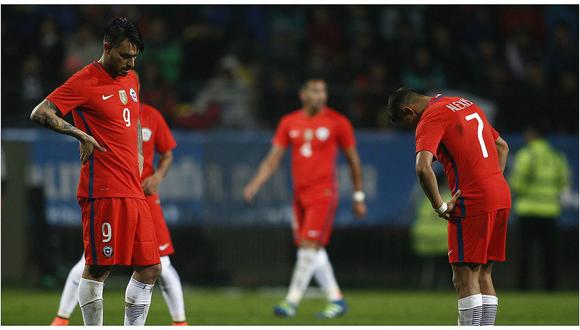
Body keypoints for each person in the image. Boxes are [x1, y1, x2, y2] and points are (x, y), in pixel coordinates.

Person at [30, 18, 160, 326]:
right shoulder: (85, 80)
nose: (130, 63)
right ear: (107, 47)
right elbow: (40, 112)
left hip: (132, 187)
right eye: (124, 55)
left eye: (134, 56)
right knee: (99, 268)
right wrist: (80, 134)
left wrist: (139, 154)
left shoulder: (132, 78)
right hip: (103, 189)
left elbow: (135, 118)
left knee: (150, 267)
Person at [50, 103, 188, 326]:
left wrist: (157, 178)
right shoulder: (106, 112)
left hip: (145, 198)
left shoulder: (152, 115)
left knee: (158, 263)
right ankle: (61, 317)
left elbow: (168, 153)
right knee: (93, 262)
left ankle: (180, 322)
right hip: (115, 194)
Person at [386, 87, 511, 326]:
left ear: (409, 111)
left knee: (464, 278)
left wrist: (440, 206)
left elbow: (423, 167)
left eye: (408, 123)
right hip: (500, 193)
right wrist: (491, 180)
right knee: (484, 274)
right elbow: (502, 146)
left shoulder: (431, 117)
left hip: (473, 198)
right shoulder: (463, 102)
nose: (413, 129)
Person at [243, 79, 367, 319]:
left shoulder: (337, 122)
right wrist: (255, 184)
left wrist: (358, 195)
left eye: (323, 91)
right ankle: (336, 299)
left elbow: (354, 161)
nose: (320, 95)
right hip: (299, 196)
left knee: (308, 247)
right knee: (311, 248)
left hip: (323, 193)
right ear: (303, 94)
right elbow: (273, 158)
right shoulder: (289, 122)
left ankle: (291, 301)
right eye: (315, 91)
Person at [509, 126, 571, 291]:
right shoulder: (556, 157)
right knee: (549, 254)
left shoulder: (526, 155)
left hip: (527, 210)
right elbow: (564, 183)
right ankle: (551, 287)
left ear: (532, 135)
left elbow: (517, 184)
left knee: (524, 254)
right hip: (550, 211)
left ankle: (523, 287)